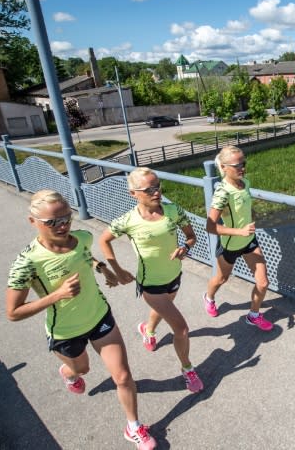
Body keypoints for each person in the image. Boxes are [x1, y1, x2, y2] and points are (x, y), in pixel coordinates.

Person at [5, 190, 156, 450]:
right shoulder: (27, 262)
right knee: (82, 369)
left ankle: (133, 427)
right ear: (33, 222)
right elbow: (13, 313)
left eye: (66, 217)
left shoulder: (82, 237)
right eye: (52, 222)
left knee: (122, 376)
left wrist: (103, 269)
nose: (62, 225)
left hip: (99, 316)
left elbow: (84, 255)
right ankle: (69, 372)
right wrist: (57, 295)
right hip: (65, 331)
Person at [98, 167, 203, 393]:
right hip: (150, 284)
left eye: (158, 187)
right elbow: (104, 240)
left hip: (174, 275)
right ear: (133, 193)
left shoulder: (172, 210)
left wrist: (185, 247)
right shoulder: (128, 221)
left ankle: (148, 329)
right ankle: (188, 369)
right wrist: (116, 268)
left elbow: (191, 236)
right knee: (181, 329)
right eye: (149, 190)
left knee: (165, 309)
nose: (156, 192)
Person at [203, 146, 273, 331]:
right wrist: (239, 231)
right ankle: (209, 297)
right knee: (221, 279)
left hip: (249, 241)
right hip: (230, 245)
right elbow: (210, 226)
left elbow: (244, 204)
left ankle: (253, 315)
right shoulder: (222, 192)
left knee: (263, 282)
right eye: (237, 165)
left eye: (244, 163)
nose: (242, 168)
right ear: (224, 167)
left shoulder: (245, 183)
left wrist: (252, 214)